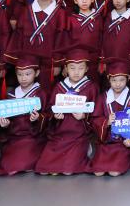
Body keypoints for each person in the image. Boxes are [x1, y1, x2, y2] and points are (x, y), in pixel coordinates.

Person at [35, 44, 97, 175]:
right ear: (66, 68)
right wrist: (55, 116)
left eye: (81, 68)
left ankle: (86, 148)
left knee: (68, 170)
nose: (76, 72)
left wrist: (84, 116)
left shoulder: (91, 87)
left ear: (86, 69)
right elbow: (50, 108)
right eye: (72, 68)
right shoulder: (59, 87)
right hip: (60, 134)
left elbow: (96, 112)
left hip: (79, 135)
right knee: (45, 168)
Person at [4, 0, 68, 92]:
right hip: (27, 63)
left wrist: (57, 64)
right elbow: (18, 36)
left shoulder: (60, 13)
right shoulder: (25, 11)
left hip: (48, 63)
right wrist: (17, 60)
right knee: (27, 93)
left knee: (46, 92)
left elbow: (61, 39)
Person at [0, 52, 47, 176]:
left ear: (37, 73)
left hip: (33, 137)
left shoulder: (40, 94)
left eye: (28, 74)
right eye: (20, 74)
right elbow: (6, 118)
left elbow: (47, 115)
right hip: (14, 137)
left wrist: (38, 118)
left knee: (24, 161)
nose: (23, 78)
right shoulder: (12, 94)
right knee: (8, 166)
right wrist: (5, 124)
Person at [90, 57, 130, 177]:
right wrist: (106, 122)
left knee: (114, 172)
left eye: (122, 80)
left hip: (122, 143)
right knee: (98, 172)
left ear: (128, 78)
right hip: (106, 142)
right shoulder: (102, 98)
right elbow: (95, 119)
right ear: (108, 79)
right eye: (114, 80)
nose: (118, 84)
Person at [61, 0, 106, 81]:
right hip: (75, 62)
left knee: (92, 84)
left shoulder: (98, 18)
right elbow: (66, 42)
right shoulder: (71, 18)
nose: (84, 1)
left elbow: (102, 40)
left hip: (93, 60)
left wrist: (102, 60)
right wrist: (65, 63)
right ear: (75, 0)